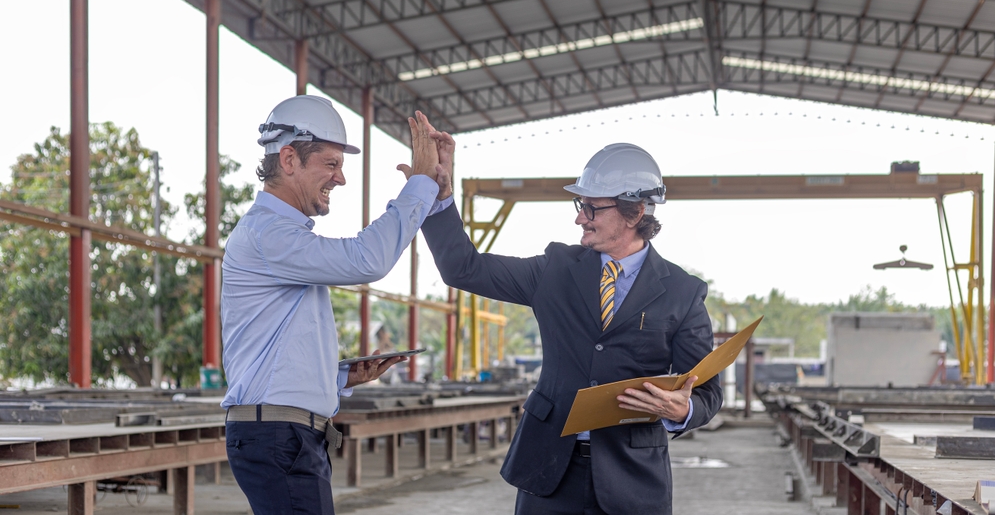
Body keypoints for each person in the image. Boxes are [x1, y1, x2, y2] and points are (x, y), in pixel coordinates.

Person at [420, 129, 723, 514]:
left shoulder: (683, 292)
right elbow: (463, 269)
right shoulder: (555, 270)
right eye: (580, 205)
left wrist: (683, 412)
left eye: (593, 208)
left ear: (635, 211)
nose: (581, 217)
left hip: (633, 483)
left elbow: (707, 392)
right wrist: (440, 197)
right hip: (548, 473)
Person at [220, 95, 450, 514]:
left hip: (283, 434)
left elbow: (278, 348)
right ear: (288, 160)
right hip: (279, 436)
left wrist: (338, 377)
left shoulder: (278, 238)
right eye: (331, 164)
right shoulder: (269, 234)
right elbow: (368, 258)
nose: (340, 179)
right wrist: (420, 183)